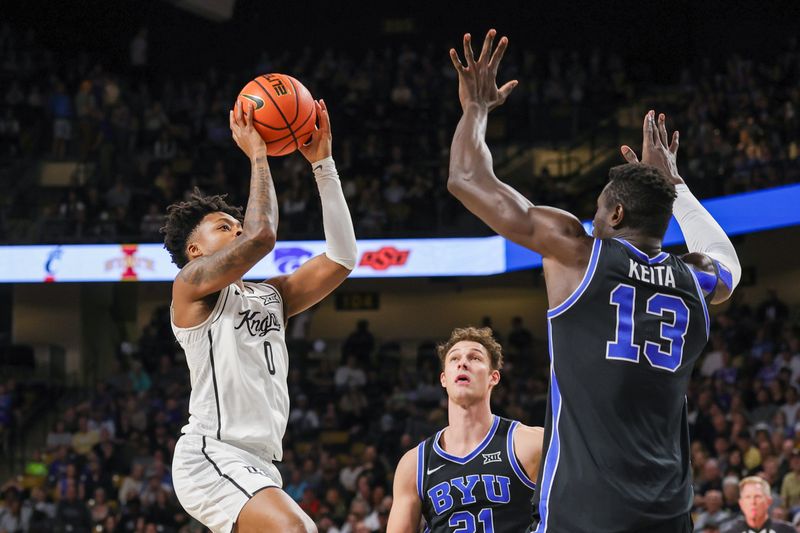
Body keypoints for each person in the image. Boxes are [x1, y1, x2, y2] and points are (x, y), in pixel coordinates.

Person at [447, 29, 741, 532]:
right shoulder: (694, 280)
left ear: (618, 213)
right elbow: (726, 263)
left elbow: (466, 180)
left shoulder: (578, 254)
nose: (593, 216)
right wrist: (676, 185)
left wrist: (476, 107)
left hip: (584, 510)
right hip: (668, 512)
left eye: (600, 207)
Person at [164, 99, 357, 533]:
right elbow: (262, 235)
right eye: (222, 226)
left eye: (235, 223)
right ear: (194, 251)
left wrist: (323, 166)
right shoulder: (190, 288)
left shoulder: (272, 295)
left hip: (263, 463)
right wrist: (258, 152)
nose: (235, 228)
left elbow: (343, 258)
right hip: (212, 452)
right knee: (298, 530)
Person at [388, 327, 542, 532]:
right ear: (443, 379)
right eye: (454, 359)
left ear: (493, 377)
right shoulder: (415, 463)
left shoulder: (529, 443)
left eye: (475, 358)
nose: (463, 363)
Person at [721, 477, 794, 533]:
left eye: (757, 496)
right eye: (748, 497)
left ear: (769, 501)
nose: (753, 502)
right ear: (741, 503)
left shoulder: (786, 531)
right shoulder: (731, 532)